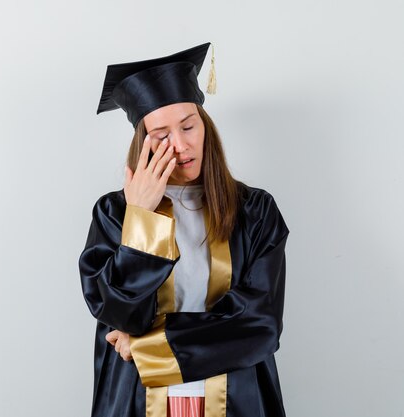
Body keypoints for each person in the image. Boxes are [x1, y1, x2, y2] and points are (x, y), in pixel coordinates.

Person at [78, 42, 291, 417]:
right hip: (137, 398)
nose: (180, 145)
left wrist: (147, 347)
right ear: (143, 144)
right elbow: (122, 315)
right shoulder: (114, 213)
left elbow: (259, 324)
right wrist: (143, 217)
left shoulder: (255, 211)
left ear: (205, 125)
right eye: (160, 135)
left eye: (189, 126)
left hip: (236, 396)